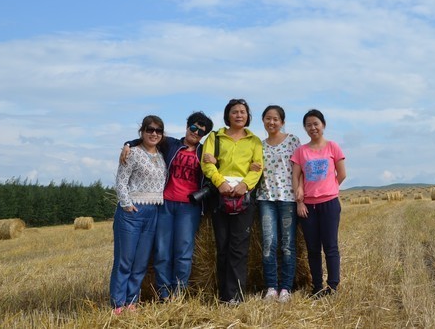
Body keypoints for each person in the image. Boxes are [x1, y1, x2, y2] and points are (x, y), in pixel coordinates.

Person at [120, 111, 214, 300]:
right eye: (193, 128)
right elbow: (148, 138)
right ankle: (163, 293)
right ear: (187, 126)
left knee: (183, 252)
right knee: (162, 251)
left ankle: (178, 293)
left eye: (200, 132)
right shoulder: (170, 144)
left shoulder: (204, 152)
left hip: (189, 208)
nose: (195, 133)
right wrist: (128, 144)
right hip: (166, 204)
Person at [201, 98, 264, 304]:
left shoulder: (254, 141)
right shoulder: (215, 137)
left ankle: (236, 296)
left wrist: (244, 185)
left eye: (243, 112)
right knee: (223, 246)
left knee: (239, 247)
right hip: (220, 195)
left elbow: (257, 167)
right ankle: (224, 295)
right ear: (228, 115)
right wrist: (220, 183)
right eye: (235, 111)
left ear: (248, 116)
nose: (239, 115)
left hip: (243, 197)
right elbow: (207, 163)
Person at [110, 115, 167, 314]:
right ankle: (118, 304)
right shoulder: (132, 153)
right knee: (124, 260)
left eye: (158, 131)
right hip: (132, 212)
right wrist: (126, 204)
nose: (154, 133)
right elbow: (121, 181)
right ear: (142, 131)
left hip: (154, 212)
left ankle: (131, 301)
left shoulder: (162, 155)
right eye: (149, 130)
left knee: (141, 262)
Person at [291, 109, 346, 298]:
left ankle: (332, 286)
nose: (312, 127)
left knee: (330, 246)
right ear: (305, 128)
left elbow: (342, 174)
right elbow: (296, 177)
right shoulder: (301, 151)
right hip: (308, 207)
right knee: (313, 248)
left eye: (316, 123)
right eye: (308, 125)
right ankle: (316, 286)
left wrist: (329, 189)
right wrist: (300, 202)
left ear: (323, 125)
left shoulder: (333, 147)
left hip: (329, 204)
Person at [254, 105, 301, 302]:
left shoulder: (292, 140)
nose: (271, 122)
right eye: (268, 118)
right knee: (269, 244)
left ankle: (286, 289)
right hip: (266, 199)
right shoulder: (259, 145)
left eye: (275, 119)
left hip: (288, 198)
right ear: (263, 121)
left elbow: (300, 168)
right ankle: (271, 287)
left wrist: (301, 193)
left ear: (282, 122)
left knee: (288, 245)